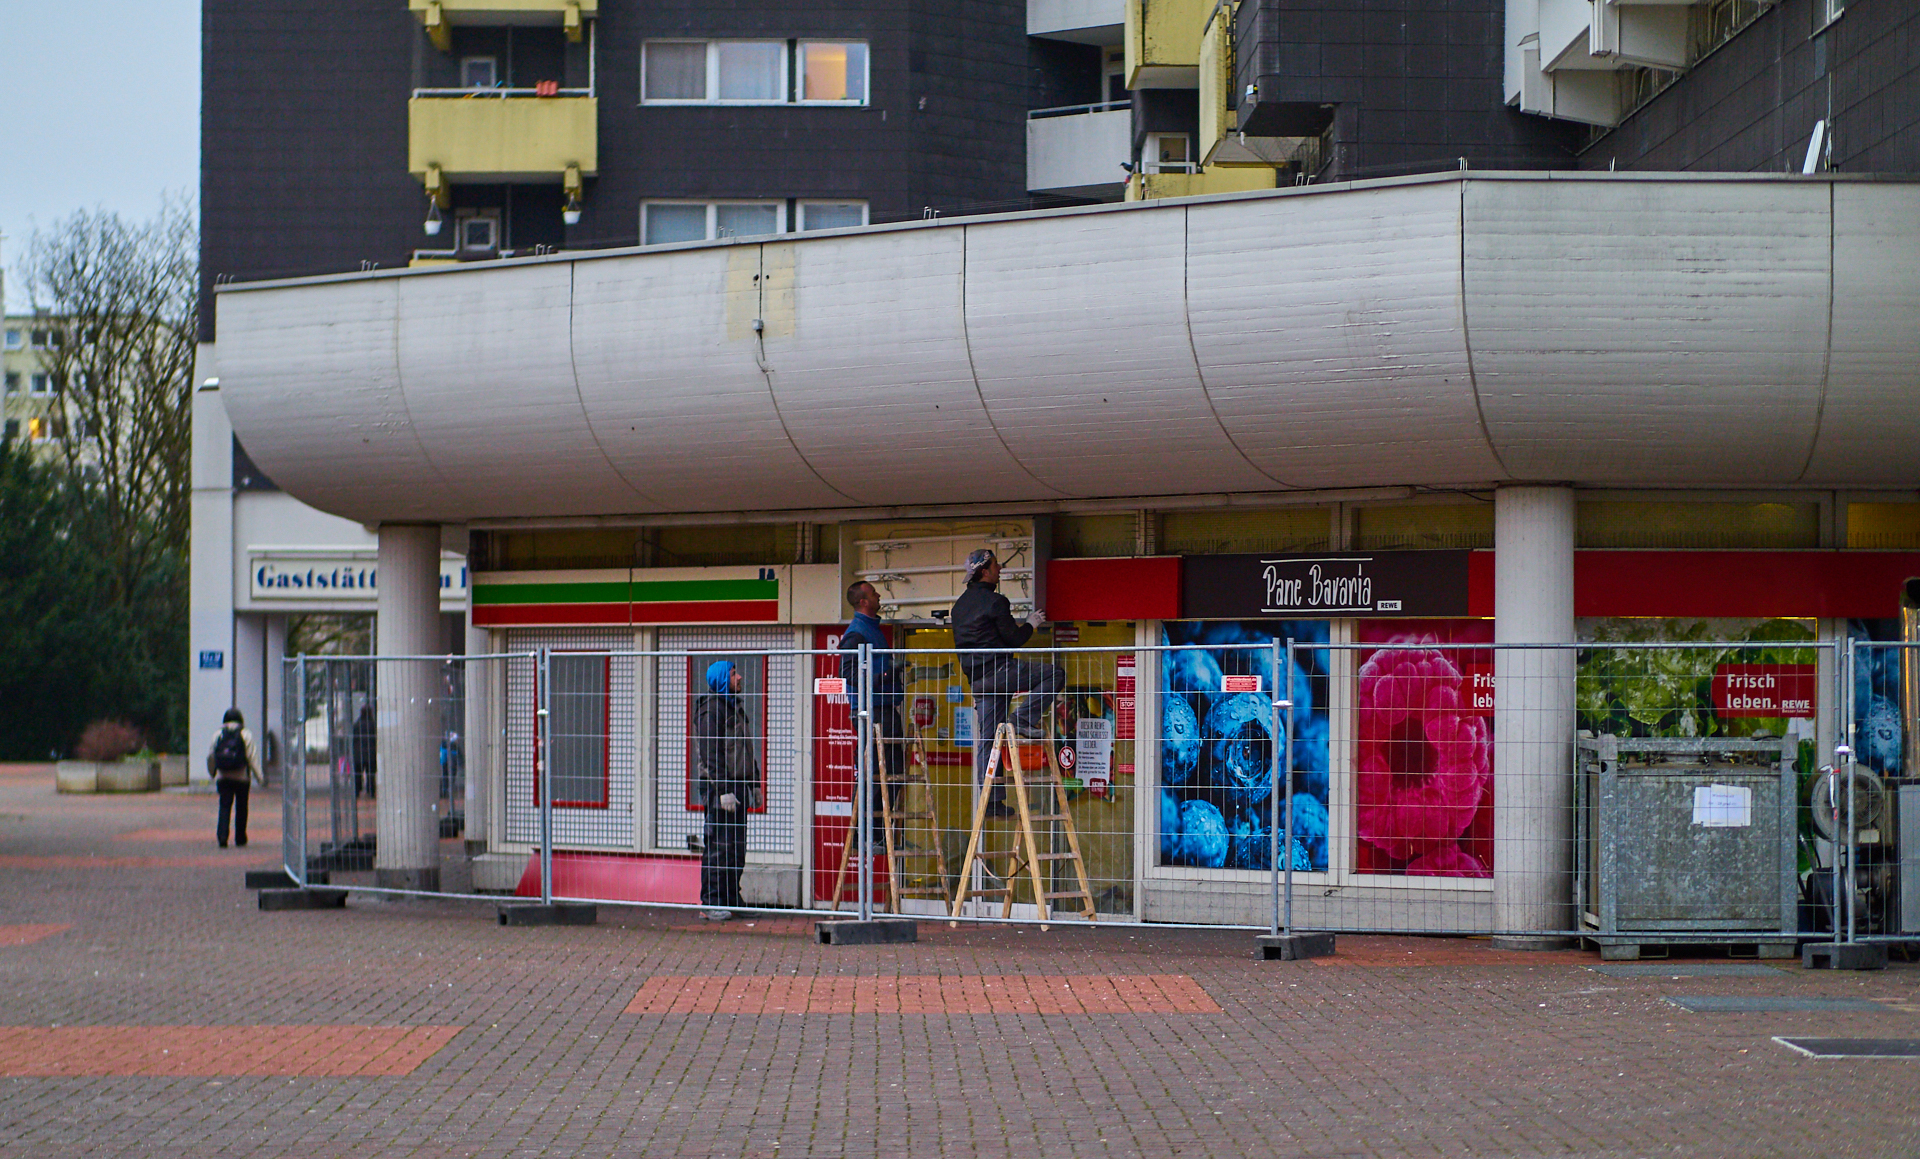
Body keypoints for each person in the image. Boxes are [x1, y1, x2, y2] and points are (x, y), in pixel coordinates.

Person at [951, 548, 1063, 812]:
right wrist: (1031, 624)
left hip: (977, 681)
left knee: (989, 739)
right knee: (1055, 674)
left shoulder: (959, 607)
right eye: (995, 565)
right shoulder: (996, 601)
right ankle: (1022, 719)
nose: (999, 569)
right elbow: (1014, 638)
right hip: (1001, 672)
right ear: (984, 571)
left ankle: (991, 801)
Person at [691, 660, 762, 921]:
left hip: (738, 785)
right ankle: (712, 901)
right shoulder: (711, 710)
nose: (739, 677)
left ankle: (732, 898)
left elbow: (745, 748)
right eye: (733, 674)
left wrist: (754, 783)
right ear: (723, 679)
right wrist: (722, 790)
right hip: (719, 787)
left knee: (736, 847)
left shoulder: (734, 707)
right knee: (718, 845)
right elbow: (711, 753)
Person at [838, 580, 905, 819]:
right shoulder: (857, 632)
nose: (879, 596)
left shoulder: (870, 629)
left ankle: (875, 827)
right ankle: (867, 829)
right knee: (879, 770)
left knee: (891, 769)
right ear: (863, 602)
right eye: (874, 593)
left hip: (881, 707)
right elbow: (847, 672)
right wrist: (885, 675)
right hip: (872, 709)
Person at [207, 707, 263, 848]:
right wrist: (260, 777)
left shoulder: (218, 734)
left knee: (224, 806)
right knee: (241, 807)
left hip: (223, 777)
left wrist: (213, 772)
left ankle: (222, 836)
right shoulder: (245, 734)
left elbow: (211, 756)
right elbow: (252, 757)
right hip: (241, 777)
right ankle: (240, 837)